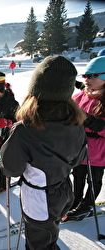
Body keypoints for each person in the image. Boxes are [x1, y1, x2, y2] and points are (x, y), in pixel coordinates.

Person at [0, 56, 87, 250]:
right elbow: (79, 158)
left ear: (36, 90)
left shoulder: (26, 129)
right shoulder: (76, 121)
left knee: (40, 245)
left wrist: (2, 148)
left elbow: (10, 169)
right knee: (48, 236)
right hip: (63, 193)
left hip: (38, 199)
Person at [66, 56, 105, 220]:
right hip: (79, 146)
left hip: (97, 150)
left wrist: (89, 120)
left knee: (94, 178)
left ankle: (88, 204)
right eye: (85, 76)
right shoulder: (81, 95)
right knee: (78, 174)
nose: (87, 79)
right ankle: (75, 200)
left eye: (93, 76)